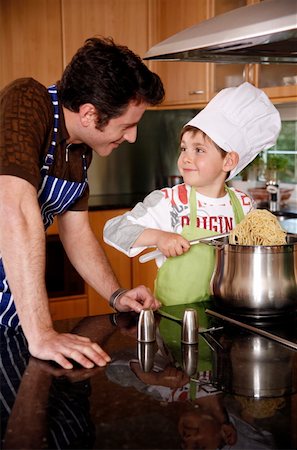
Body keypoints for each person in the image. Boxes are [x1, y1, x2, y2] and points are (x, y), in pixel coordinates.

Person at [0, 37, 164, 370]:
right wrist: (43, 332)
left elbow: (76, 233)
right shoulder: (27, 100)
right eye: (127, 125)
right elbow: (13, 208)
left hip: (15, 306)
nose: (132, 137)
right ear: (89, 114)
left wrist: (117, 296)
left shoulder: (79, 149)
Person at [104, 82, 281, 306]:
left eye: (199, 150)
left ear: (228, 161)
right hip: (177, 318)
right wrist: (160, 238)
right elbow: (114, 230)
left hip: (228, 311)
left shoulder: (244, 204)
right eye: (184, 148)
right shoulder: (170, 201)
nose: (186, 158)